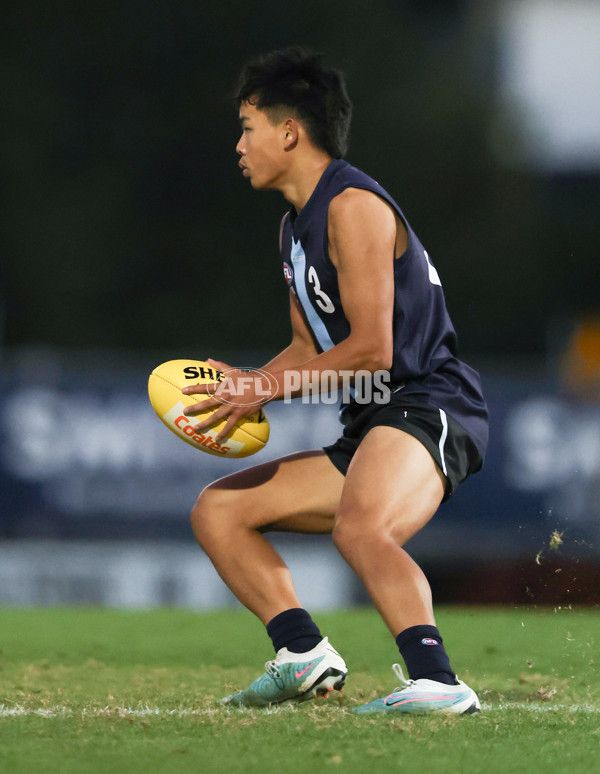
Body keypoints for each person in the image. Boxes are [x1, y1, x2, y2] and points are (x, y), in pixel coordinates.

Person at [182, 47, 489, 714]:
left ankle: (438, 680)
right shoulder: (295, 228)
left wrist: (266, 390)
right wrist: (250, 382)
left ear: (288, 132)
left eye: (247, 127)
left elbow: (375, 352)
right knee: (218, 510)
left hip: (428, 403)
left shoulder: (351, 206)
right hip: (375, 421)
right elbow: (304, 348)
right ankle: (302, 655)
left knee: (360, 529)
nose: (239, 145)